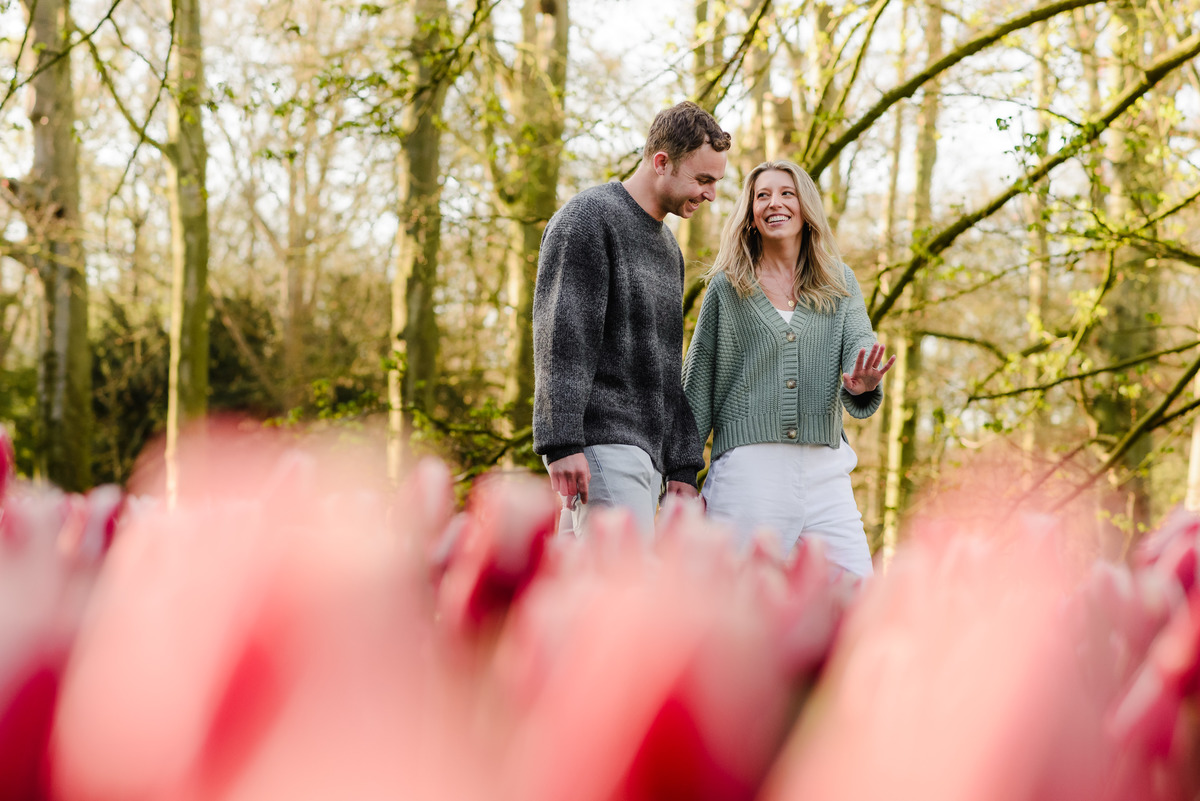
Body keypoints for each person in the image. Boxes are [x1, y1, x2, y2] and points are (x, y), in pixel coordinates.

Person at [682, 160, 893, 575]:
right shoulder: (728, 286)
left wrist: (862, 381)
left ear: (805, 206)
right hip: (748, 473)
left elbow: (859, 341)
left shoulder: (840, 282)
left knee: (856, 599)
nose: (774, 203)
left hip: (826, 470)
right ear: (750, 213)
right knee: (736, 607)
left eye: (786, 193)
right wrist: (681, 472)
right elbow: (698, 383)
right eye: (762, 195)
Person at [532, 101, 732, 538]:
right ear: (662, 162)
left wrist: (681, 464)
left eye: (716, 182)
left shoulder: (667, 248)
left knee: (579, 598)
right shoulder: (588, 220)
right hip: (603, 448)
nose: (710, 194)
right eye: (702, 179)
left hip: (644, 458)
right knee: (620, 594)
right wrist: (561, 440)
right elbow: (562, 337)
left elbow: (665, 368)